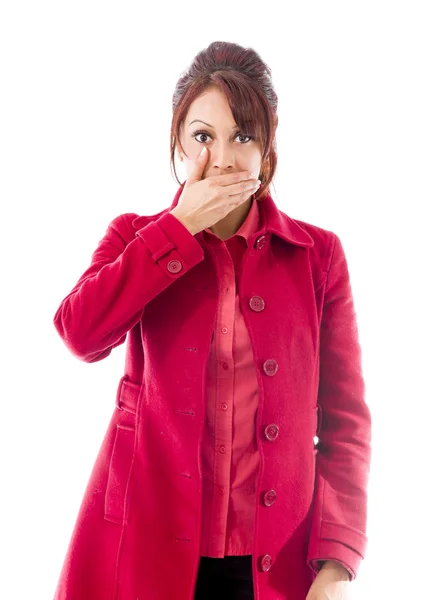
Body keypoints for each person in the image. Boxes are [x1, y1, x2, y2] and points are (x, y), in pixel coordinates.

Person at [52, 41, 371, 600]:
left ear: (268, 149)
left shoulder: (318, 255)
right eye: (203, 136)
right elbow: (79, 335)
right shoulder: (135, 238)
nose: (222, 157)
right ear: (178, 141)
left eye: (242, 136)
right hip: (144, 550)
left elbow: (346, 422)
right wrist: (176, 229)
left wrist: (337, 564)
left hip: (274, 563)